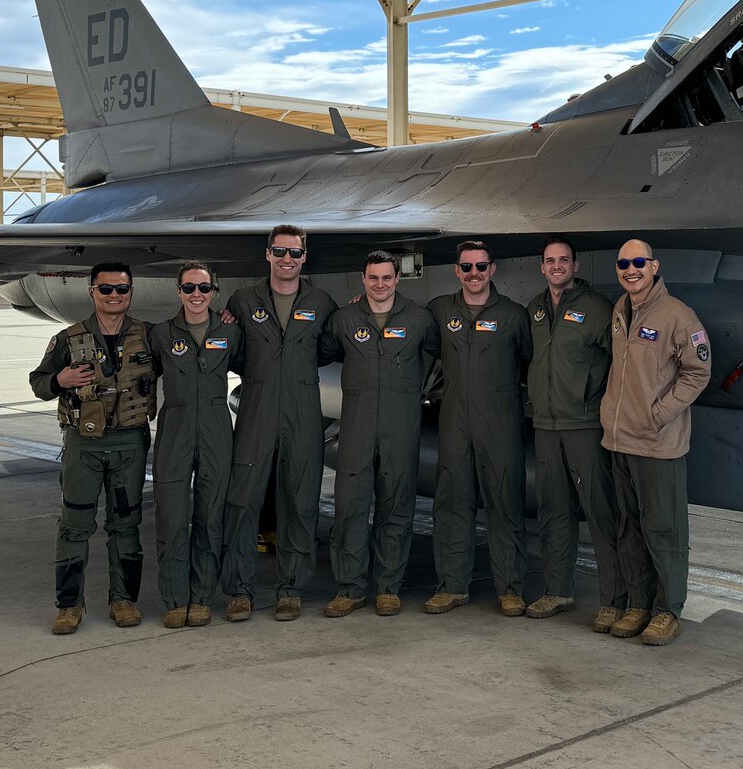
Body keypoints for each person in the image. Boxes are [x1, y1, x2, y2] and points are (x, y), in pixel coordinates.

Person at [27, 261, 157, 635]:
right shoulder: (69, 338)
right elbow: (38, 383)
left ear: (131, 292)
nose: (114, 295)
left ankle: (123, 601)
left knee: (127, 525)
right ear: (92, 292)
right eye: (106, 289)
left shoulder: (148, 336)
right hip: (85, 444)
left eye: (122, 289)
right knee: (75, 525)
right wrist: (60, 379)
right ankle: (69, 606)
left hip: (130, 442)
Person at [221, 226, 337, 622]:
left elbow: (329, 348)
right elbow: (233, 352)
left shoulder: (321, 302)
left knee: (301, 500)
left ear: (305, 257)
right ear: (267, 254)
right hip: (257, 407)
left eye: (295, 252)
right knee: (243, 499)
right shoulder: (242, 301)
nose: (288, 259)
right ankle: (239, 590)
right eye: (280, 251)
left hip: (303, 410)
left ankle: (291, 589)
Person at [599, 240, 710, 647]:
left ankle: (668, 611)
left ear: (654, 266)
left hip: (658, 445)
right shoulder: (620, 309)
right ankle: (638, 605)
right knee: (629, 529)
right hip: (619, 440)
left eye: (639, 262)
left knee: (664, 530)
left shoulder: (678, 315)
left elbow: (698, 372)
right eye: (624, 263)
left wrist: (659, 414)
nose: (632, 269)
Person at [317, 251, 438, 617]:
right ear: (363, 279)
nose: (380, 284)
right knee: (350, 509)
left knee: (396, 509)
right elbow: (320, 352)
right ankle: (350, 589)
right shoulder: (345, 319)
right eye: (374, 278)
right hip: (356, 429)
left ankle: (388, 588)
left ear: (397, 279)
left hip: (400, 430)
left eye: (387, 278)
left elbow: (448, 351)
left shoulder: (419, 319)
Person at [426, 240, 533, 616]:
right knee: (452, 504)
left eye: (481, 267)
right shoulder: (440, 310)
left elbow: (531, 364)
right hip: (455, 421)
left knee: (505, 504)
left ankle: (510, 589)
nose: (475, 274)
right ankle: (452, 586)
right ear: (457, 270)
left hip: (500, 423)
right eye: (467, 267)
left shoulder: (514, 315)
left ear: (493, 270)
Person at [522, 240, 618, 625]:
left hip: (584, 425)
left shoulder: (597, 309)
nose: (557, 266)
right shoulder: (535, 309)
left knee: (600, 512)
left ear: (575, 265)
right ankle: (557, 591)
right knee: (553, 512)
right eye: (550, 261)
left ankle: (614, 599)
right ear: (541, 267)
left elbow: (620, 362)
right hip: (546, 425)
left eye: (564, 260)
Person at [150, 263, 231, 629]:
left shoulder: (229, 331)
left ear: (214, 291)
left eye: (203, 288)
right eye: (189, 288)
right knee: (172, 517)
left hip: (215, 429)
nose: (196, 295)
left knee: (210, 518)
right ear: (178, 291)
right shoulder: (162, 334)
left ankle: (200, 598)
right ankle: (174, 599)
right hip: (176, 428)